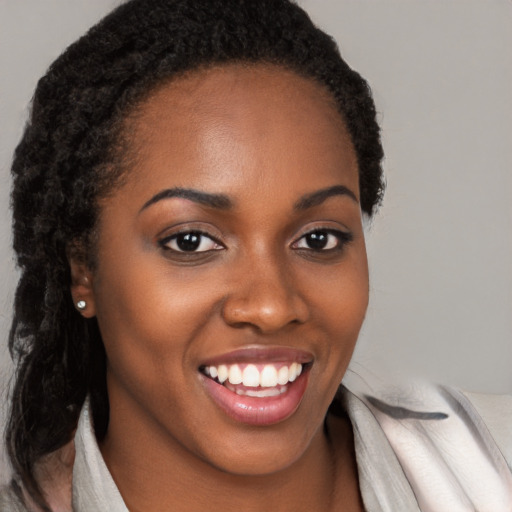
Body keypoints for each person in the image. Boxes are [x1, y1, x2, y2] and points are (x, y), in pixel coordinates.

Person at [1, 0, 511, 511]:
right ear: (82, 270)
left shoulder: (495, 466)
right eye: (191, 241)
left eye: (317, 239)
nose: (270, 307)